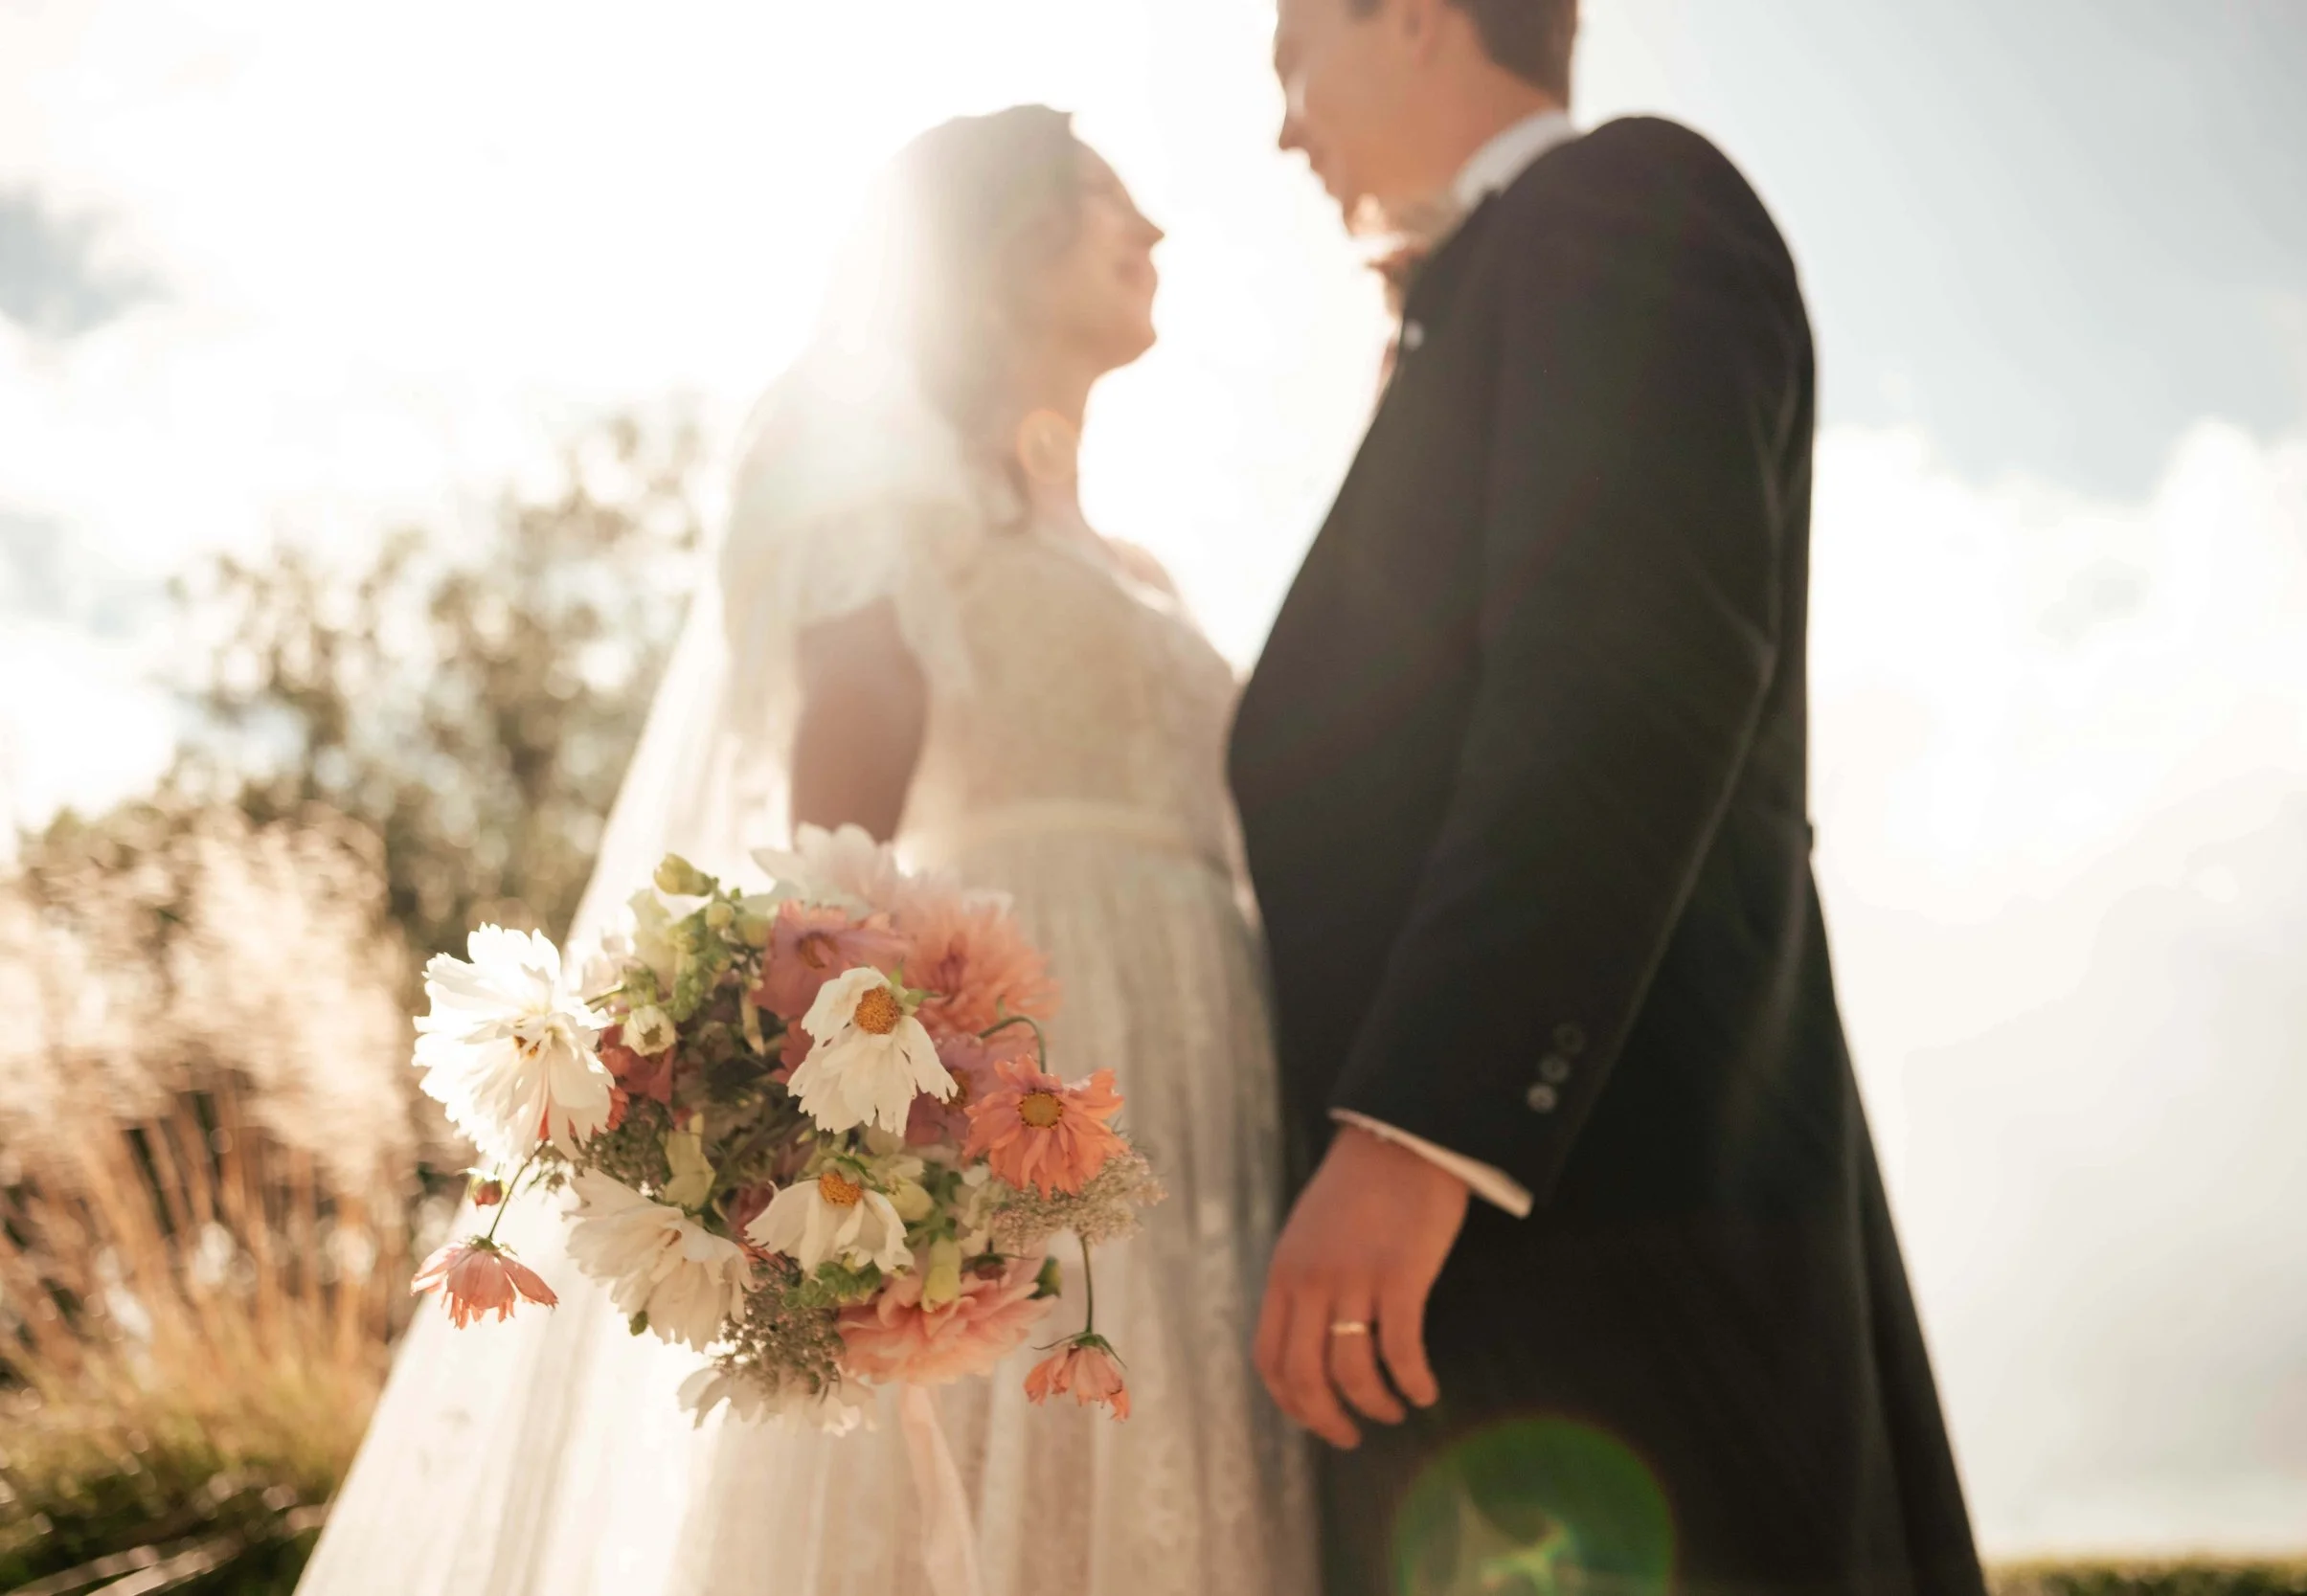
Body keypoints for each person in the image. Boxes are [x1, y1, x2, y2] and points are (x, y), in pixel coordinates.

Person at [298, 106, 1316, 1596]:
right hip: (1020, 1064)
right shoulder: (900, 495)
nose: (1153, 233)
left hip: (1203, 1086)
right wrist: (857, 1156)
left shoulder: (1146, 566)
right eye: (1107, 199)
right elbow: (828, 874)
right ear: (998, 241)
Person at [1230, 1, 1989, 1591]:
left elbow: (1621, 680)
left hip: (1620, 1242)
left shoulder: (1623, 206)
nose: (1286, 127)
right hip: (1505, 1295)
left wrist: (1418, 1133)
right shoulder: (1477, 300)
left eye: (1296, 59)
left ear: (1419, 21)